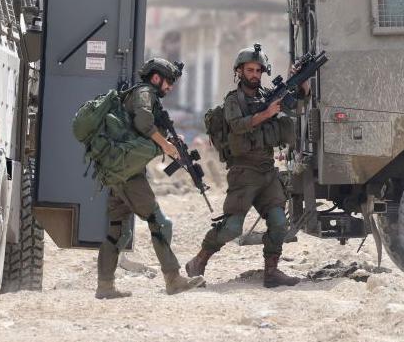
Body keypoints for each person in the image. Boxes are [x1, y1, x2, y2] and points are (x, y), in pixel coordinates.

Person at [185, 44, 309, 288]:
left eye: (257, 70)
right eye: (249, 70)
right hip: (243, 172)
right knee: (231, 227)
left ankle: (271, 272)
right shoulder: (234, 100)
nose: (254, 74)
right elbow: (237, 125)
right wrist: (265, 114)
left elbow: (296, 105)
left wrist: (301, 83)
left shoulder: (267, 96)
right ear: (239, 72)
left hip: (266, 170)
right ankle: (198, 261)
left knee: (278, 222)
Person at [95, 58, 205, 299]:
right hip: (128, 173)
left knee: (117, 230)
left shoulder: (139, 94)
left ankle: (105, 286)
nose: (170, 88)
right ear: (156, 78)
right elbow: (143, 121)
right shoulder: (145, 92)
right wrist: (165, 145)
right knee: (159, 222)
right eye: (169, 83)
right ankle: (173, 279)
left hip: (119, 170)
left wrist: (170, 143)